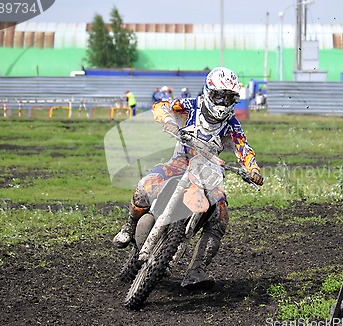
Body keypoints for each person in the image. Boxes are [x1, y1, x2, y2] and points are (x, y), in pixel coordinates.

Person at [112, 67, 264, 289]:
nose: (222, 102)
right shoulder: (191, 106)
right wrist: (168, 120)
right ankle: (129, 226)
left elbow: (244, 149)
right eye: (218, 96)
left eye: (229, 98)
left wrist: (253, 169)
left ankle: (196, 271)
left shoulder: (232, 125)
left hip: (208, 174)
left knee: (220, 215)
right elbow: (162, 106)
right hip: (180, 163)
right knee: (145, 185)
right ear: (208, 92)